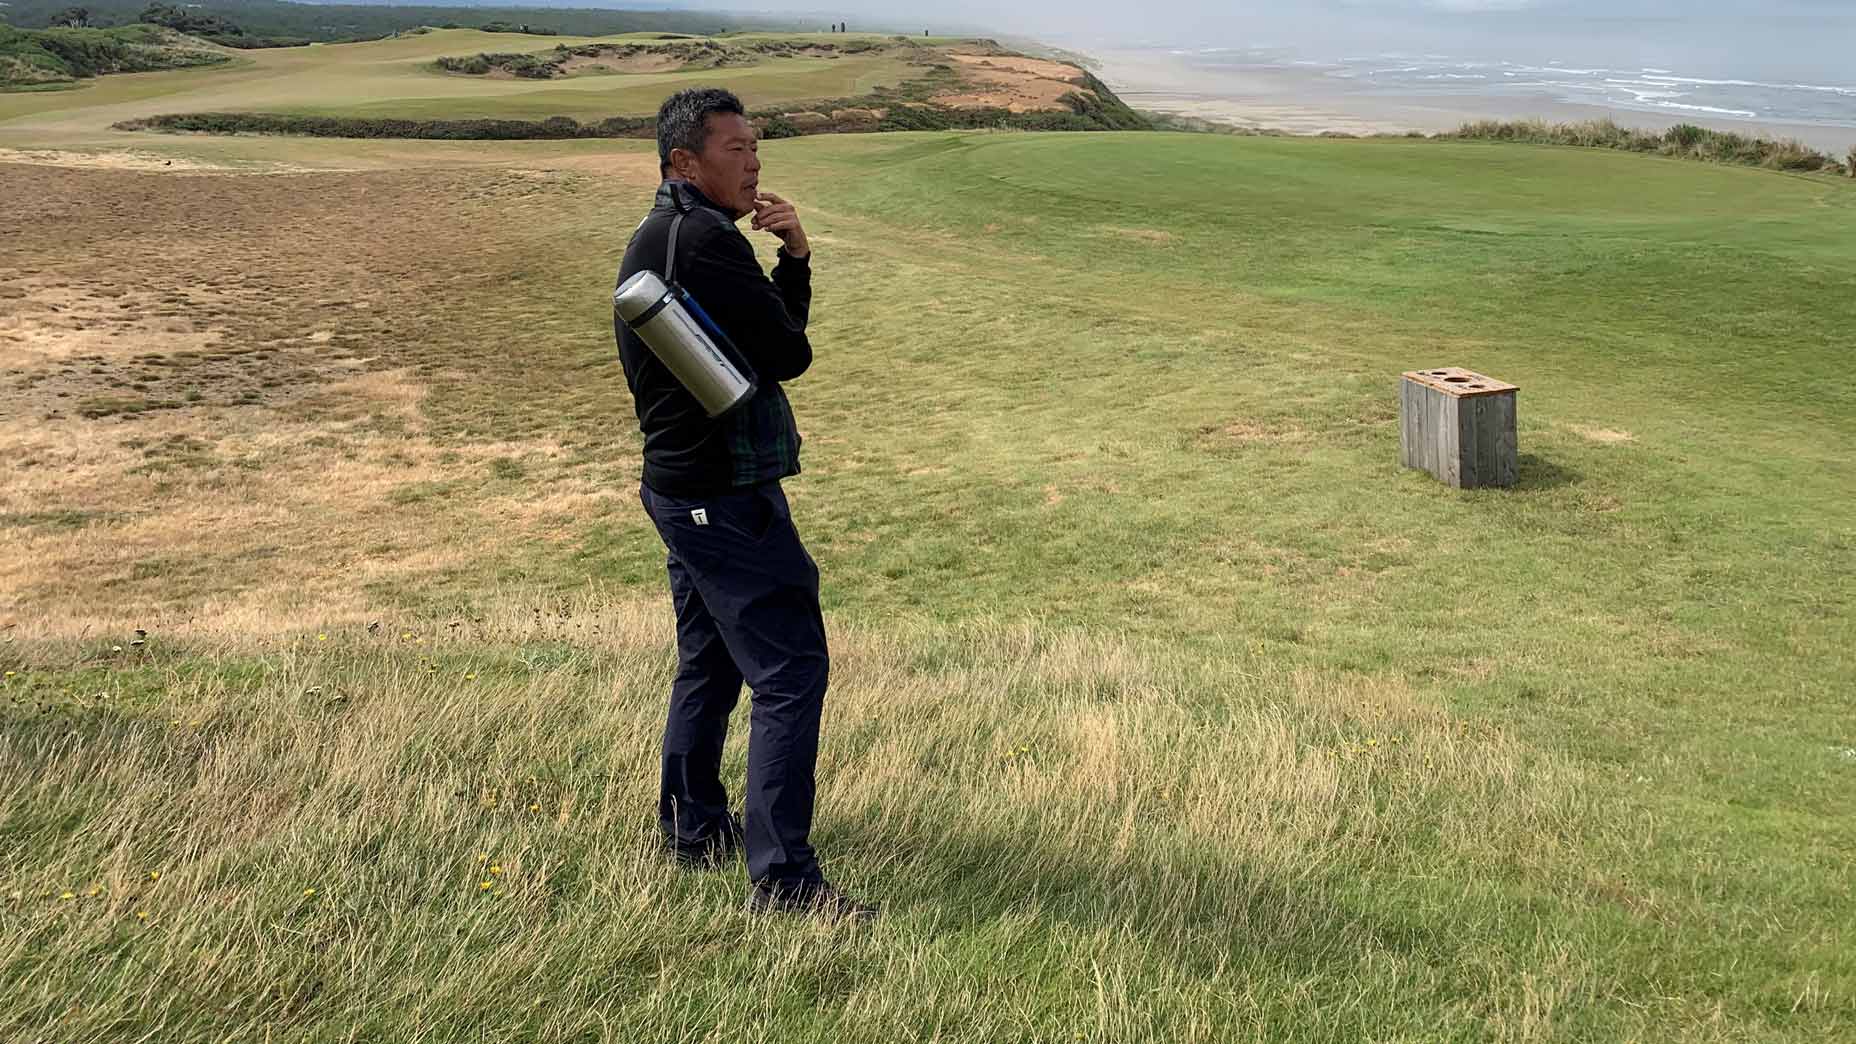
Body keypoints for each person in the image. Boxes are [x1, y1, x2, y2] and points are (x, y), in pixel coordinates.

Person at [612, 87, 876, 920]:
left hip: (678, 488)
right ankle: (785, 883)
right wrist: (796, 256)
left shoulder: (660, 233)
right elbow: (788, 354)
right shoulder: (706, 243)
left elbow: (763, 352)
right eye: (736, 149)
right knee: (791, 671)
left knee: (711, 660)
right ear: (683, 162)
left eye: (757, 147)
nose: (755, 162)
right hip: (723, 497)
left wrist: (784, 260)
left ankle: (693, 831)